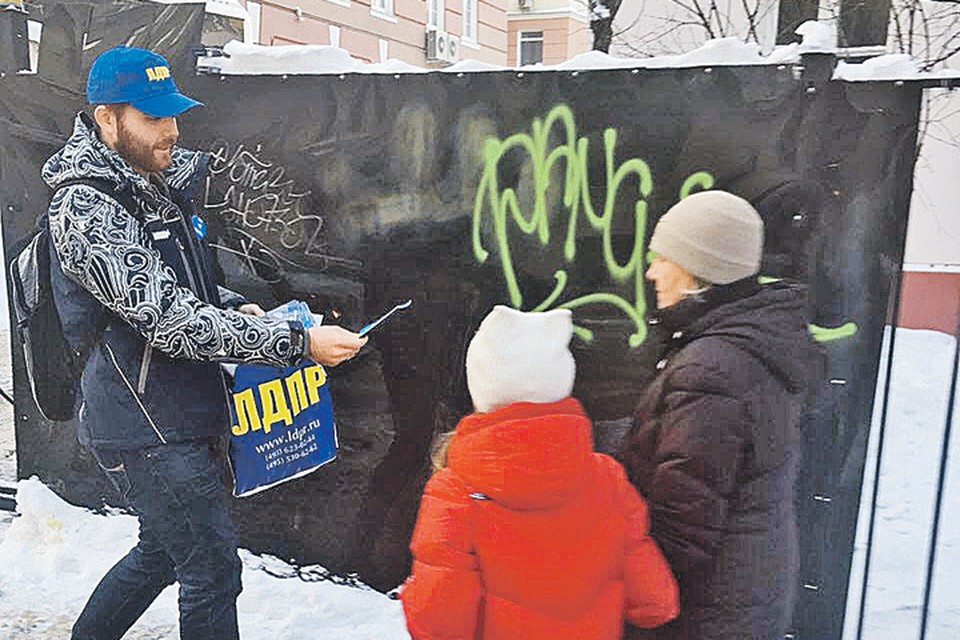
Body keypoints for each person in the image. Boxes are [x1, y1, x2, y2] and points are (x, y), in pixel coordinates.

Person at [45, 46, 367, 640]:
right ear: (107, 119)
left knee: (162, 553)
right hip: (141, 427)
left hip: (173, 412)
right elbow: (168, 318)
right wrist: (295, 342)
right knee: (212, 569)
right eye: (153, 117)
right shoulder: (85, 208)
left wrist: (234, 305)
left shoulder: (149, 184)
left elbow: (181, 286)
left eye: (173, 114)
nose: (171, 130)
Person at [401, 305, 680, 640]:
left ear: (482, 389)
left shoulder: (454, 492)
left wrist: (412, 596)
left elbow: (437, 625)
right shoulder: (607, 478)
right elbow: (655, 603)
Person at [619, 190, 820, 639]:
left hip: (705, 613)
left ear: (700, 272)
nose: (651, 272)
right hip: (741, 596)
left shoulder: (713, 369)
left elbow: (680, 529)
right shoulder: (746, 344)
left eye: (664, 259)